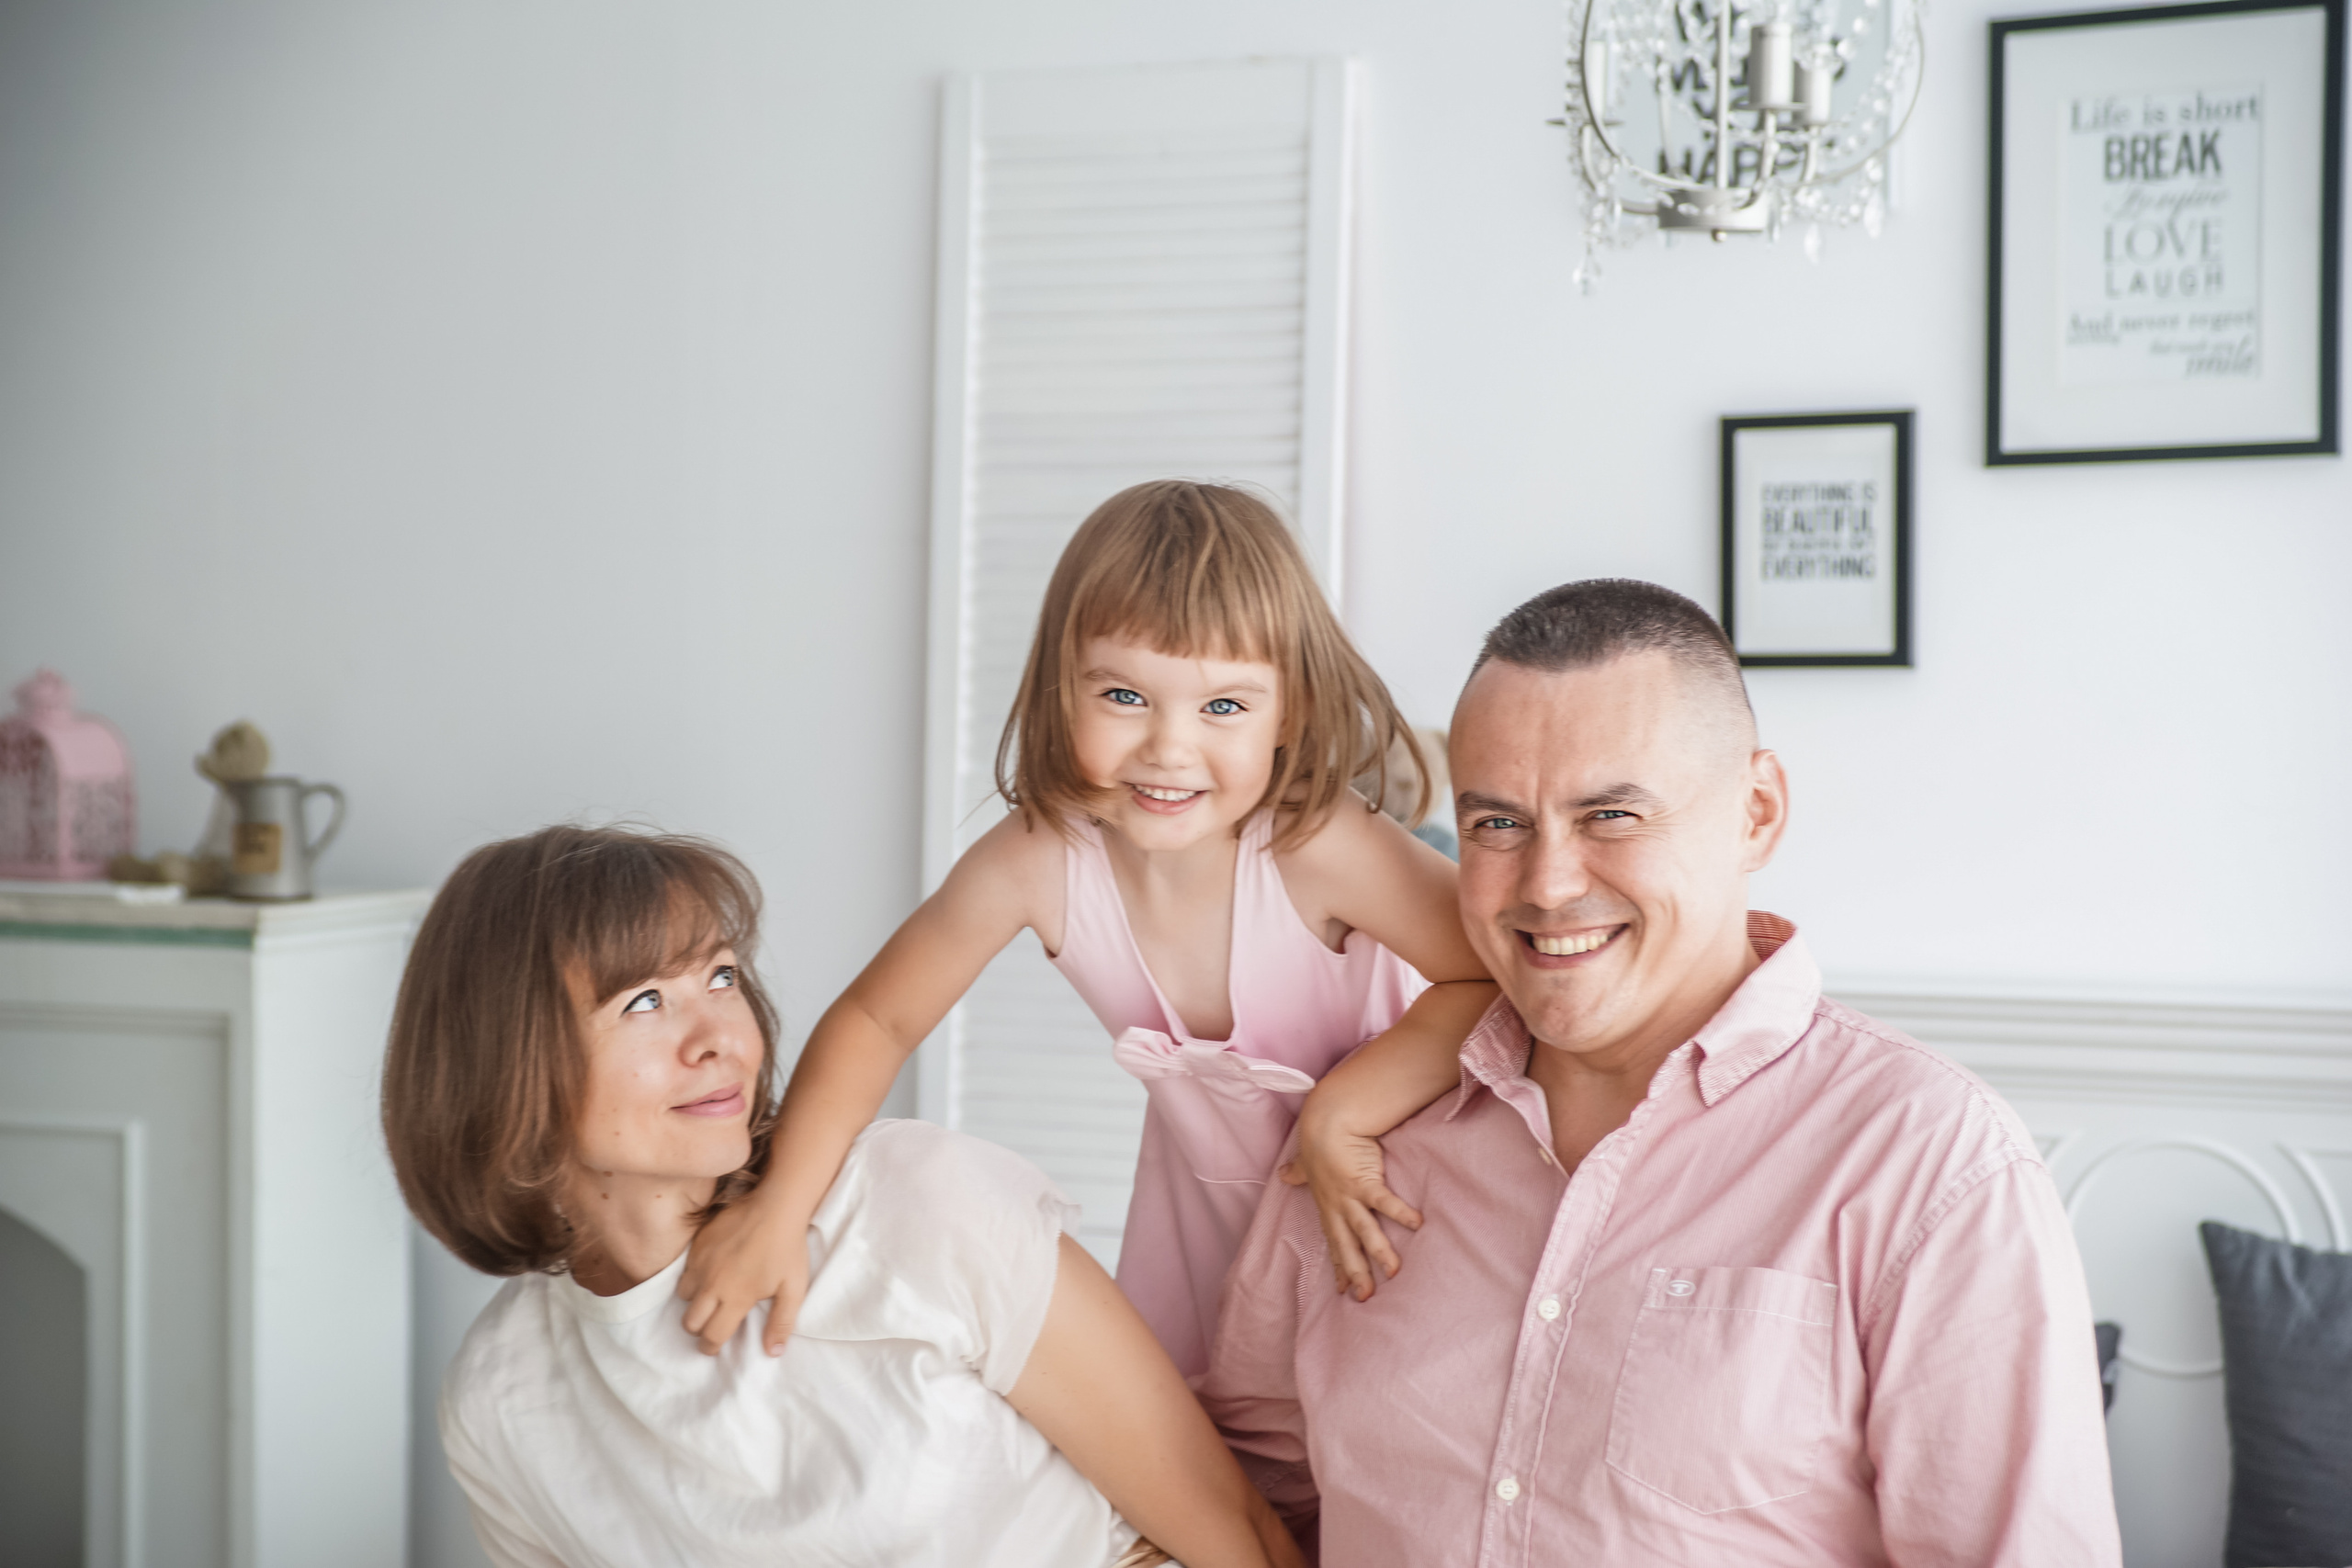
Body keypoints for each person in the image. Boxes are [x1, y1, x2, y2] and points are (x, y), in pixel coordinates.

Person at [1198, 581, 2124, 1566]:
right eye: (1498, 825)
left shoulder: (1929, 1163)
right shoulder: (1362, 1145)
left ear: (1756, 812)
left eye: (1609, 815)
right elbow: (1245, 1506)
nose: (1548, 886)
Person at [680, 479, 1494, 1375]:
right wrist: (778, 1208)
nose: (1168, 748)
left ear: (1288, 713)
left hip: (1376, 1192)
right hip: (1207, 1218)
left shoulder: (1321, 844)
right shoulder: (1036, 857)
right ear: (1061, 689)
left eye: (1222, 707)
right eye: (1123, 696)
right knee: (1212, 1453)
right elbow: (881, 1019)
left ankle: (1425, 808)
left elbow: (1491, 976)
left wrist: (1342, 1110)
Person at [384, 825, 1305, 1568]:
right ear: (504, 1067)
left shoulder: (918, 1206)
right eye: (643, 1003)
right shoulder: (502, 1399)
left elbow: (1240, 1542)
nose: (719, 1037)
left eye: (719, 976)